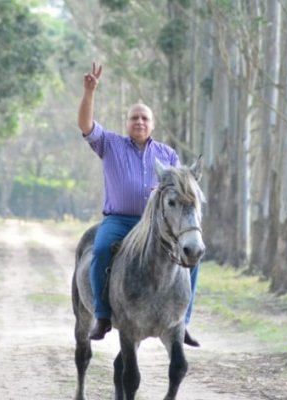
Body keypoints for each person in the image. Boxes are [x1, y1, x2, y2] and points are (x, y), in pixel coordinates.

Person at [78, 62, 200, 347]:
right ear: (127, 123)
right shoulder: (110, 144)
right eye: (134, 118)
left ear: (152, 124)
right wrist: (89, 92)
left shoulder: (168, 154)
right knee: (99, 250)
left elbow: (180, 192)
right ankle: (103, 315)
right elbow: (86, 125)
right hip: (120, 221)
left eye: (145, 118)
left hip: (158, 227)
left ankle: (183, 321)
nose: (140, 122)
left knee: (191, 258)